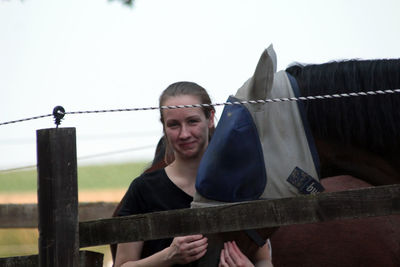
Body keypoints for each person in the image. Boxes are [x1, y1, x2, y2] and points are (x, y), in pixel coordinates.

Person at [114, 81, 272, 267]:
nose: (184, 134)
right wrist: (168, 256)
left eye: (192, 121)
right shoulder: (143, 189)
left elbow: (263, 259)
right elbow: (121, 265)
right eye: (173, 125)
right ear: (163, 127)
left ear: (210, 118)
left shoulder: (239, 183)